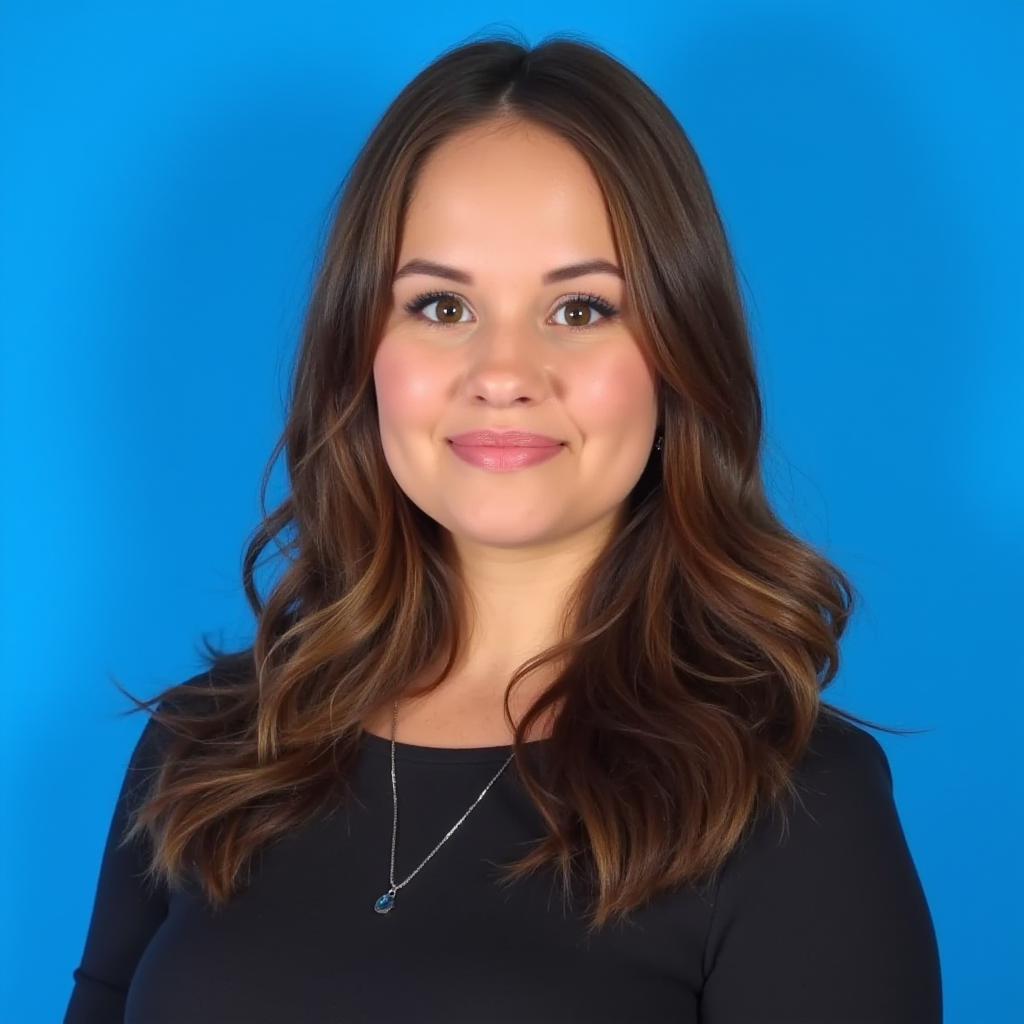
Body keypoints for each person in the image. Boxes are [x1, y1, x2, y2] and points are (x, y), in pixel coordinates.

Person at [64, 34, 942, 1023]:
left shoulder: (794, 808)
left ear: (676, 354)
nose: (503, 370)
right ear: (363, 349)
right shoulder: (210, 747)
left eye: (579, 308)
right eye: (441, 304)